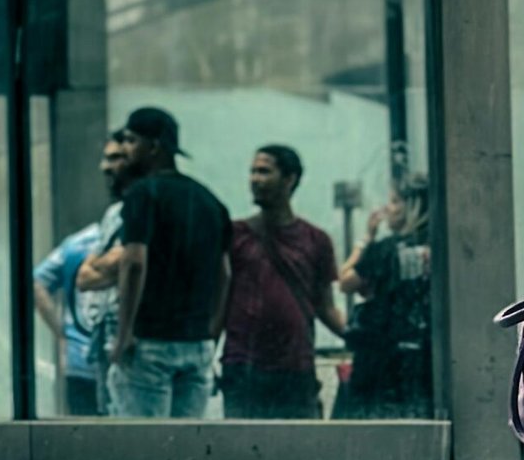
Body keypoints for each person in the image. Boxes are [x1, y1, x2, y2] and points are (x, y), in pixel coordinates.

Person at [105, 107, 231, 419]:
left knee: (145, 450)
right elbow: (225, 274)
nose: (125, 150)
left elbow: (134, 263)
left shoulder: (142, 195)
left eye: (132, 141)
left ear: (154, 146)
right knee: (187, 450)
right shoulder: (209, 200)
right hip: (197, 344)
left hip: (150, 344)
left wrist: (124, 334)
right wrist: (211, 332)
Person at [221, 145, 347, 419]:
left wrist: (359, 339)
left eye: (264, 171)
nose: (255, 179)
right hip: (244, 365)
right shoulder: (236, 234)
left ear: (290, 179)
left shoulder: (316, 240)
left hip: (295, 366)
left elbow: (325, 306)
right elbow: (219, 299)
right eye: (253, 171)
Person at [34, 132, 132, 415]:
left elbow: (38, 282)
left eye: (115, 158)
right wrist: (63, 332)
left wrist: (62, 332)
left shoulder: (77, 243)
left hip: (106, 358)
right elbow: (37, 282)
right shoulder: (81, 244)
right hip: (92, 359)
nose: (107, 168)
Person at [336, 172, 434, 418]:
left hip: (383, 356)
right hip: (425, 354)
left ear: (412, 205)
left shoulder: (386, 250)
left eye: (393, 201)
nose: (385, 209)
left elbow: (346, 281)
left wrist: (366, 237)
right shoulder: (441, 246)